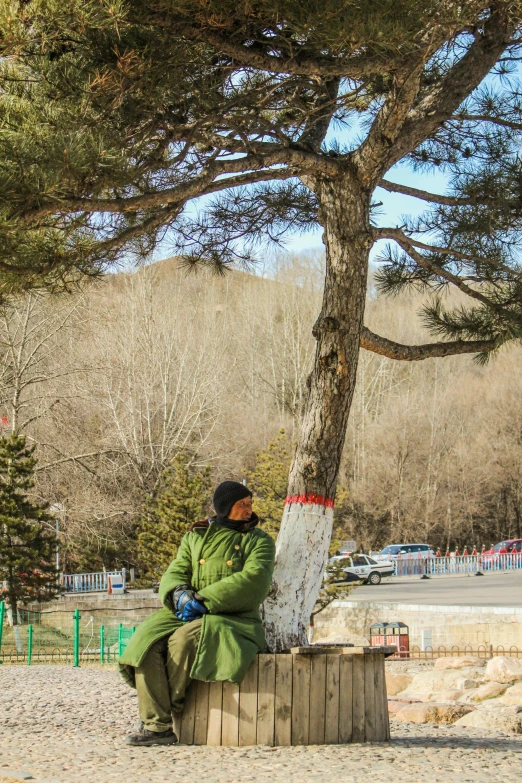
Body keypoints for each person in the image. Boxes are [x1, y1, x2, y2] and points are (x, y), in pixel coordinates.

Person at [119, 480, 276, 746]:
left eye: (250, 504)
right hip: (186, 609)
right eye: (242, 505)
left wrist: (204, 599)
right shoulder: (195, 536)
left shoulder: (258, 540)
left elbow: (254, 580)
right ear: (224, 508)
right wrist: (178, 593)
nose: (249, 510)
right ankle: (158, 729)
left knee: (183, 640)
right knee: (144, 642)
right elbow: (177, 569)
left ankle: (158, 719)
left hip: (232, 616)